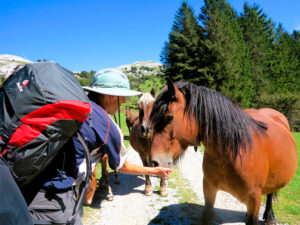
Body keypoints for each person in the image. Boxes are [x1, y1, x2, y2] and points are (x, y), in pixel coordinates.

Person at [21, 69, 172, 225]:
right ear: (112, 96)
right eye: (123, 98)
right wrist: (154, 171)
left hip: (28, 183)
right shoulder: (107, 125)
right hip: (54, 197)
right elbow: (122, 167)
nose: (124, 102)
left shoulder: (75, 107)